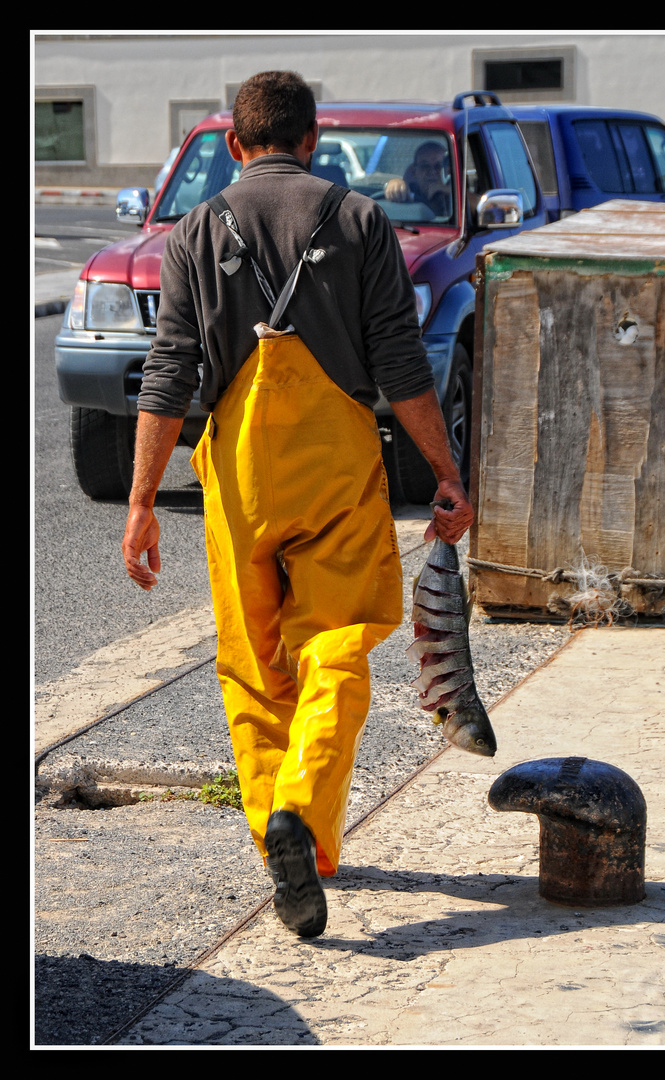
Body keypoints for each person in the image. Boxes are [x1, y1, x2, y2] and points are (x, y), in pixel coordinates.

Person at [121, 71, 473, 939]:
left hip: (238, 474)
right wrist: (446, 471)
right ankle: (303, 821)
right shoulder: (359, 221)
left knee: (252, 664)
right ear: (314, 140)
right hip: (335, 463)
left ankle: (274, 827)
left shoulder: (195, 231)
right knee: (339, 642)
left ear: (235, 145)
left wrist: (139, 502)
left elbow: (168, 375)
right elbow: (401, 364)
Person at [384, 140, 451, 217]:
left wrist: (447, 191)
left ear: (447, 170)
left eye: (438, 166)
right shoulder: (409, 192)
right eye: (424, 166)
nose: (432, 171)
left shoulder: (456, 192)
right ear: (414, 171)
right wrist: (394, 184)